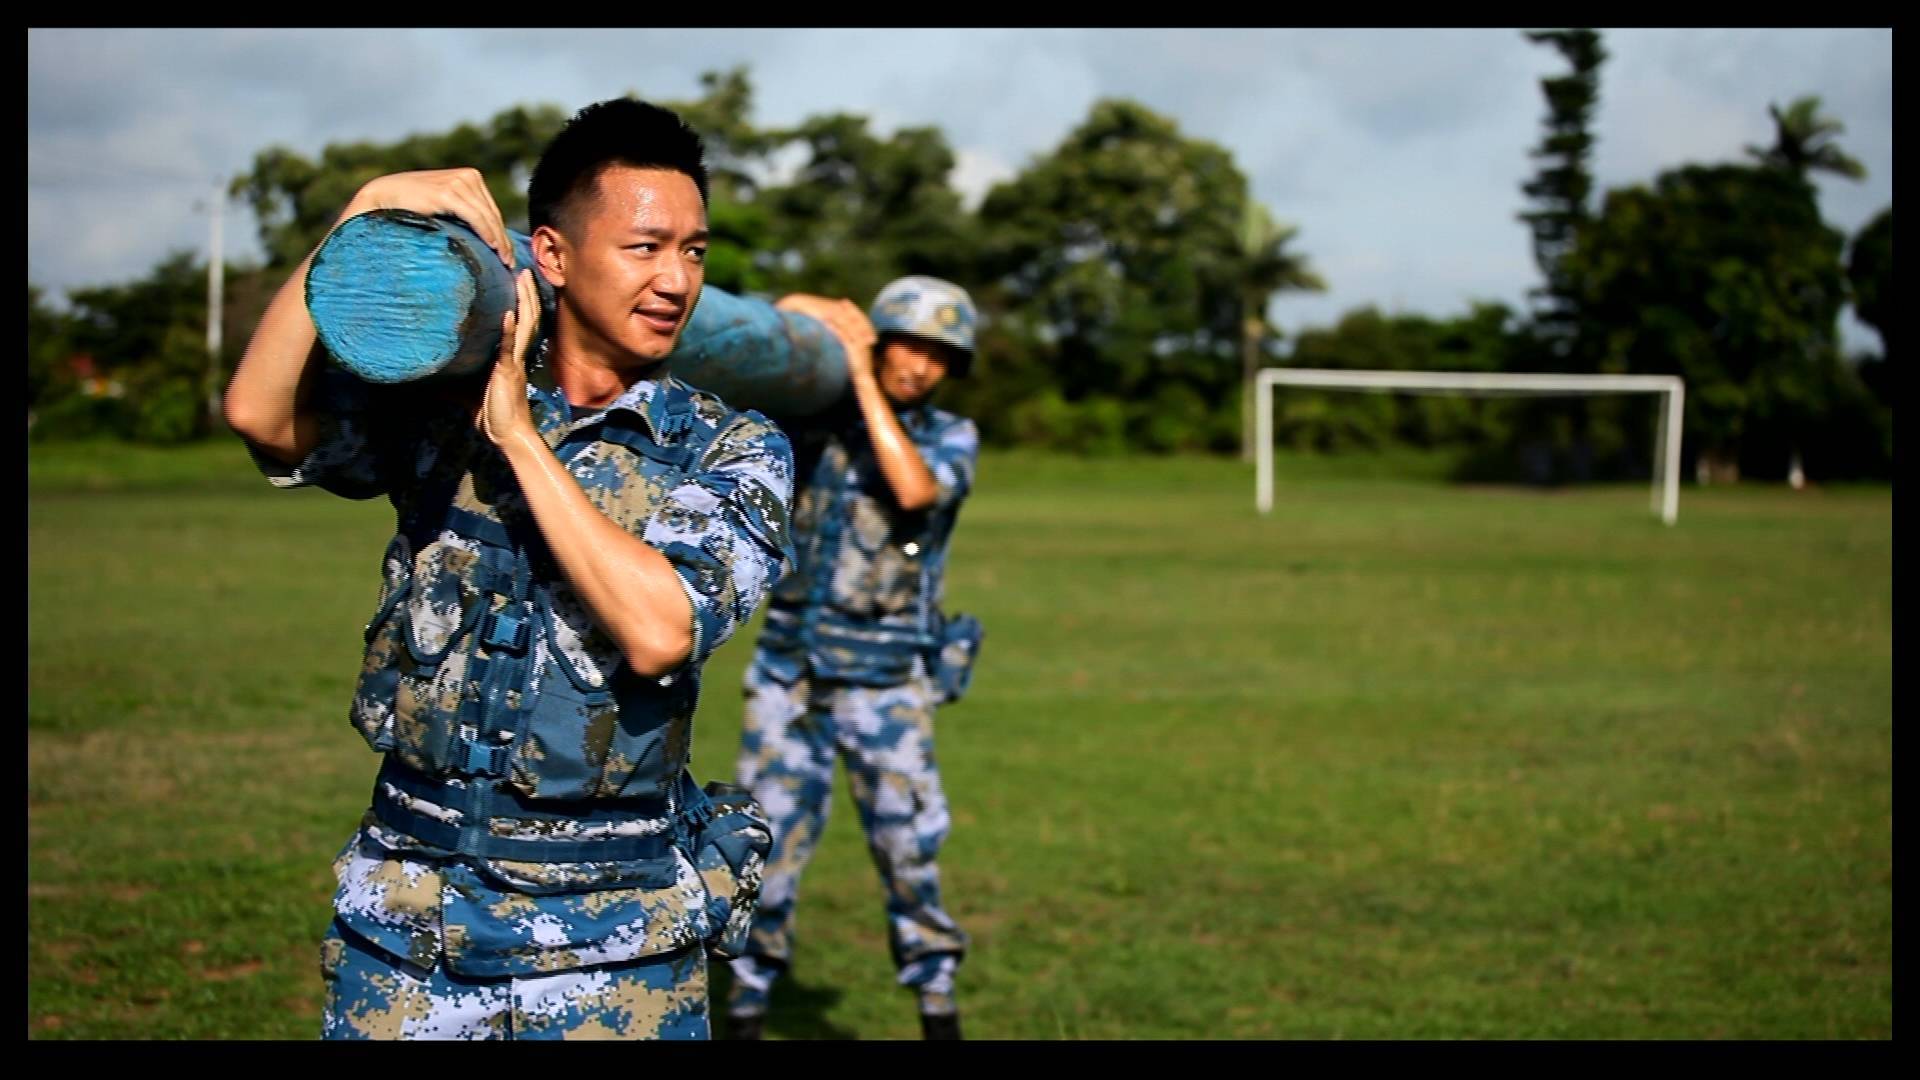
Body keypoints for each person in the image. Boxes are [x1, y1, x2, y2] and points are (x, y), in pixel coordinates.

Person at [223, 98, 794, 1040]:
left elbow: (660, 630)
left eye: (694, 251)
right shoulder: (438, 406)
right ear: (554, 258)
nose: (676, 279)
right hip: (409, 932)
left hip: (616, 957)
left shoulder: (731, 447)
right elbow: (259, 412)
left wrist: (520, 439)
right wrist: (359, 212)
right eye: (645, 247)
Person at [722, 276, 984, 1041]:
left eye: (941, 355)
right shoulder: (814, 423)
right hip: (790, 674)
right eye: (908, 344)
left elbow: (913, 490)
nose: (920, 366)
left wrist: (863, 379)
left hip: (886, 684)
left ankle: (936, 1003)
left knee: (908, 853)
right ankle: (744, 1001)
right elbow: (757, 348)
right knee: (763, 850)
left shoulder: (949, 438)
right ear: (881, 338)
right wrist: (814, 316)